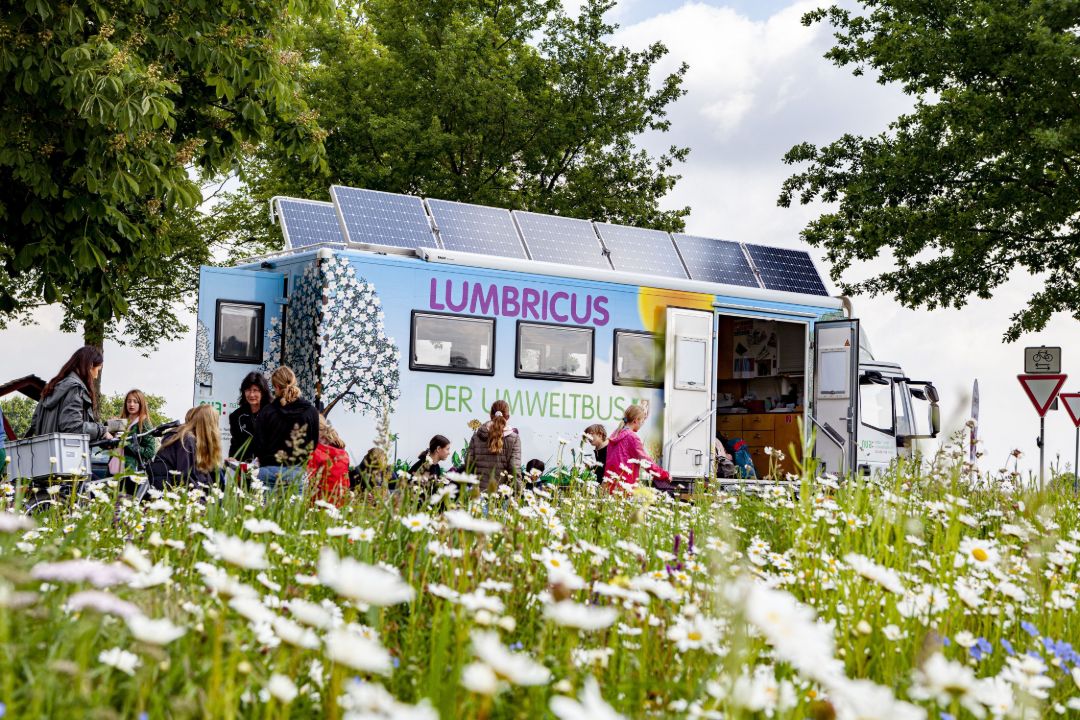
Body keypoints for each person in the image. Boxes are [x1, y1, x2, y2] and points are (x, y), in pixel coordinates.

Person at [255, 366, 320, 492]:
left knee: (266, 510)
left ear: (277, 387)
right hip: (296, 472)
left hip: (269, 471)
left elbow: (258, 445)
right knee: (293, 511)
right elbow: (313, 445)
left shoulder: (267, 411)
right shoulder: (311, 411)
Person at [28, 346, 110, 441]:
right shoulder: (75, 389)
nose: (96, 376)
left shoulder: (52, 387)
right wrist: (102, 431)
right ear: (90, 366)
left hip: (46, 452)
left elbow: (35, 423)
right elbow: (72, 427)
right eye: (98, 370)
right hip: (68, 453)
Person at [151, 405, 222, 489]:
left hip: (165, 484)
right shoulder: (187, 439)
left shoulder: (184, 436)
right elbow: (185, 478)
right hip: (167, 489)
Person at [465, 400, 521, 492]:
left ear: (490, 415)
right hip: (500, 495)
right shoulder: (513, 438)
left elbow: (468, 463)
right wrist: (519, 493)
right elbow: (514, 468)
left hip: (478, 492)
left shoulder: (477, 436)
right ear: (507, 417)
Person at [603, 404, 654, 488]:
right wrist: (664, 474)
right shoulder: (632, 437)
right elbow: (646, 462)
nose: (642, 424)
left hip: (610, 484)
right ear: (636, 420)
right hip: (625, 486)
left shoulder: (615, 434)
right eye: (642, 421)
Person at [308, 415, 350, 507]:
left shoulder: (317, 452)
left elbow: (308, 479)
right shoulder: (344, 455)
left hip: (319, 502)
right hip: (339, 502)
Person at [228, 371, 270, 462]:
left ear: (263, 392)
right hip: (245, 467)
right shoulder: (236, 416)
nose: (251, 394)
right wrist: (233, 458)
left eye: (255, 390)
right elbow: (235, 443)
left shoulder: (272, 413)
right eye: (248, 390)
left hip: (267, 468)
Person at [114, 389, 158, 472]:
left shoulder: (144, 423)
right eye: (129, 401)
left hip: (132, 472)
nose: (131, 404)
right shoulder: (122, 422)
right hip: (114, 468)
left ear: (141, 404)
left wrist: (126, 443)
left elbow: (150, 452)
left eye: (135, 402)